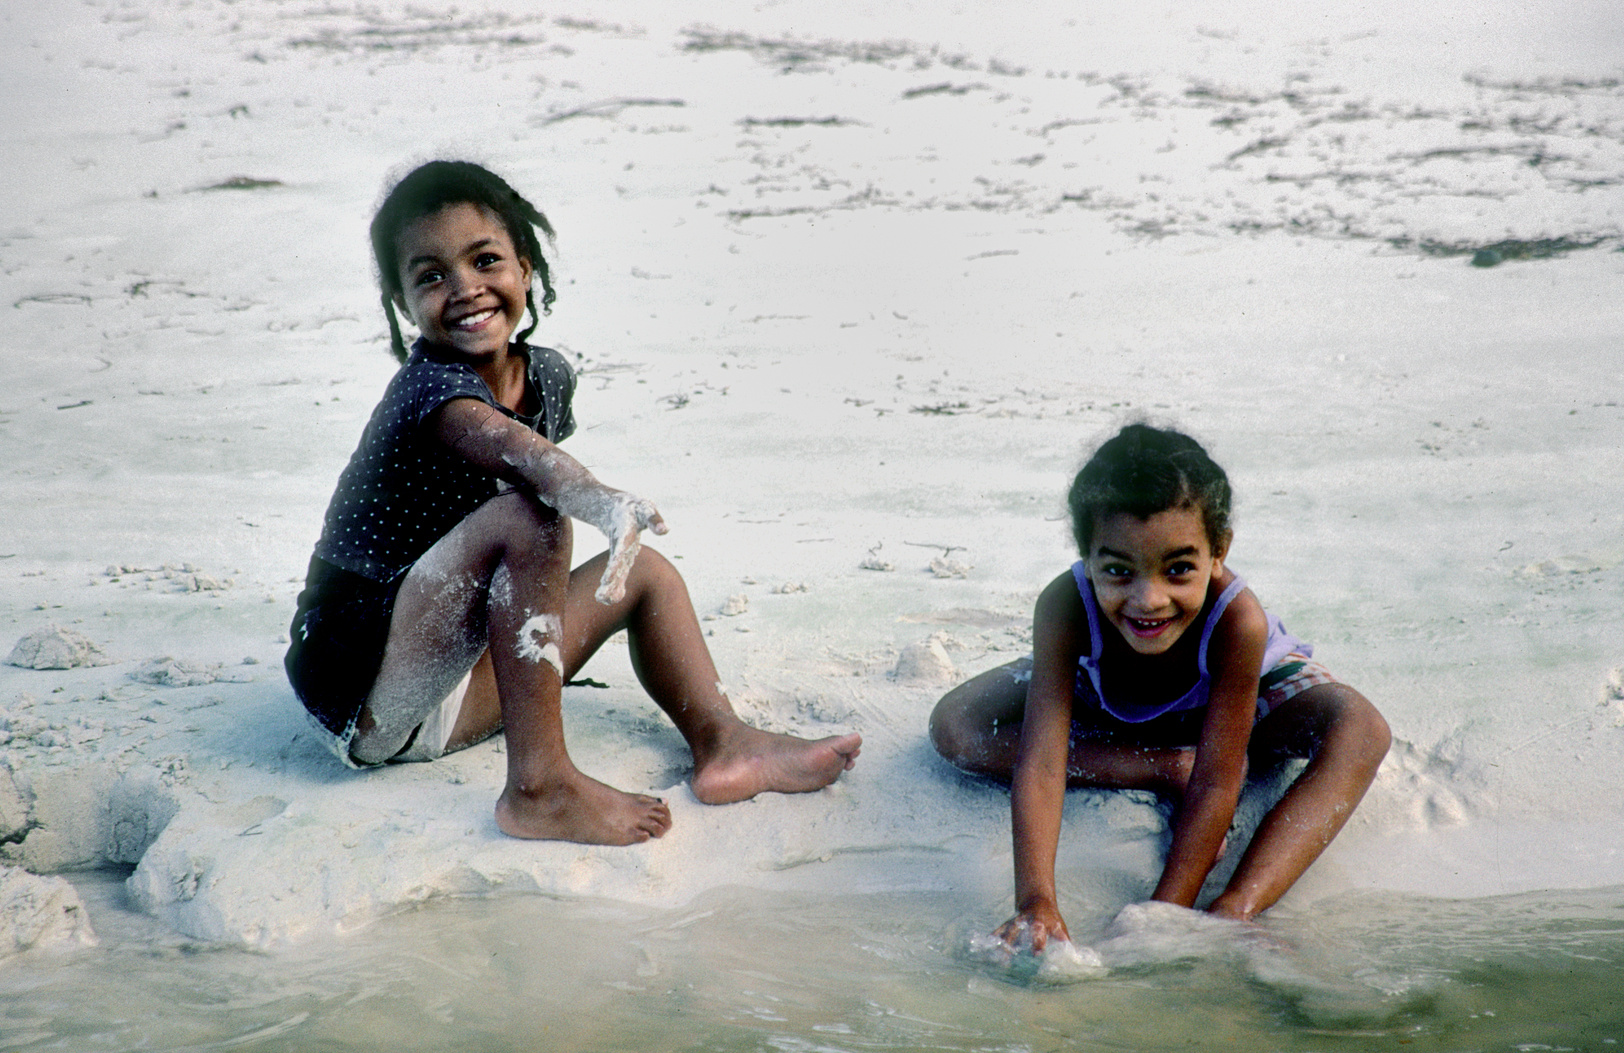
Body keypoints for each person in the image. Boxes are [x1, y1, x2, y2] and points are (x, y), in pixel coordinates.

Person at [285, 160, 859, 845]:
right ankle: (540, 786)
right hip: (371, 691)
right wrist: (602, 500)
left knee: (648, 577)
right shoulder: (429, 391)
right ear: (402, 303)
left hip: (457, 690)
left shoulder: (549, 376)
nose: (465, 288)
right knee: (533, 515)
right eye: (431, 275)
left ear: (525, 269)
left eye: (485, 260)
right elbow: (518, 453)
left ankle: (724, 741)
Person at [929, 423, 1388, 948]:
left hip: (1236, 702)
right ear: (1086, 554)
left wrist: (1164, 916)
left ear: (1219, 551)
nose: (1149, 599)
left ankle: (1236, 909)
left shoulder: (1239, 621)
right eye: (1120, 571)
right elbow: (1043, 762)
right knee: (956, 726)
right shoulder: (1064, 605)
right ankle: (1166, 764)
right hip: (1108, 692)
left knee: (1362, 728)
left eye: (1178, 569)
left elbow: (1219, 780)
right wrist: (1036, 903)